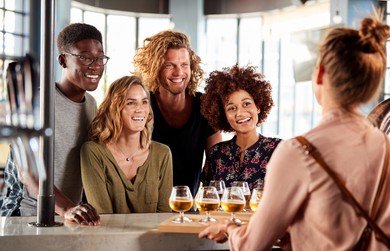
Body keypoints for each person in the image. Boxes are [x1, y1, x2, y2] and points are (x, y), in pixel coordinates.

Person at [199, 12, 390, 251]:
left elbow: (252, 246)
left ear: (319, 74)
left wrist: (229, 228)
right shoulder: (386, 147)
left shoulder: (297, 152)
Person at [0, 23, 106, 225]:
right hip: (26, 214)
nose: (95, 65)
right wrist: (67, 208)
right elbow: (28, 173)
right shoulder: (38, 102)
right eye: (85, 57)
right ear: (63, 59)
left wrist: (76, 208)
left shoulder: (91, 105)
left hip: (66, 216)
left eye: (100, 58)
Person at [132, 30, 222, 196]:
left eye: (184, 65)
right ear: (155, 68)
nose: (179, 72)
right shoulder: (141, 106)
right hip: (145, 209)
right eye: (169, 65)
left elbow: (216, 167)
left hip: (187, 209)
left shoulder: (206, 107)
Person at [80, 75, 173, 213]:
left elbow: (164, 214)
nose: (140, 109)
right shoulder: (93, 152)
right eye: (130, 103)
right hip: (108, 234)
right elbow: (103, 216)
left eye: (144, 102)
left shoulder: (162, 153)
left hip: (153, 235)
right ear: (114, 109)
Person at [200, 64, 281, 190]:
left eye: (246, 104)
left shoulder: (278, 150)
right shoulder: (216, 154)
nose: (240, 113)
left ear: (258, 107)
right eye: (231, 108)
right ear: (223, 115)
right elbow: (207, 197)